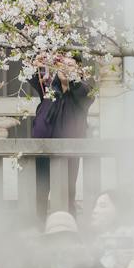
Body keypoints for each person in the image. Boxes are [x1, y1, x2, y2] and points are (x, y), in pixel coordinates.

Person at [29, 60, 90, 213]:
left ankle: (68, 227)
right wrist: (36, 61)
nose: (65, 68)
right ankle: (38, 226)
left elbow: (83, 91)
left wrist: (73, 81)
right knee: (39, 193)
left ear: (80, 72)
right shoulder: (49, 90)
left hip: (69, 151)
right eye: (61, 65)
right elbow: (30, 75)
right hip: (43, 149)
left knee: (67, 194)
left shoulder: (83, 93)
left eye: (70, 66)